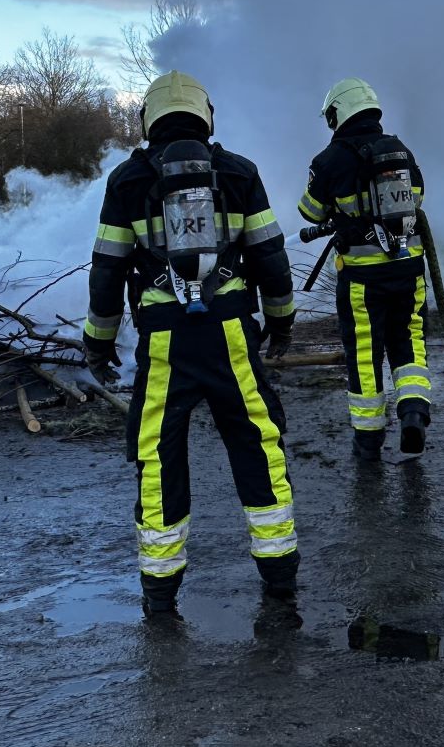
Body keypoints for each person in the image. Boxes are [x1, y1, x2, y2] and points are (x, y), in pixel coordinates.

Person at [82, 70, 299, 618]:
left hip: (164, 342)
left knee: (157, 456)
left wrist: (98, 342)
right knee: (257, 444)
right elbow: (270, 257)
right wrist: (282, 322)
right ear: (207, 116)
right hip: (229, 331)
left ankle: (160, 592)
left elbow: (108, 271)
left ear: (148, 120)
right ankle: (279, 578)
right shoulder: (239, 172)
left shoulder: (128, 180)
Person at [297, 78, 431, 463]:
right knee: (410, 342)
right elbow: (418, 198)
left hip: (362, 281)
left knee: (364, 356)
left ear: (339, 113)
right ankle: (413, 413)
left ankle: (369, 440)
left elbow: (310, 211)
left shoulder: (330, 158)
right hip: (409, 271)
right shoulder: (400, 151)